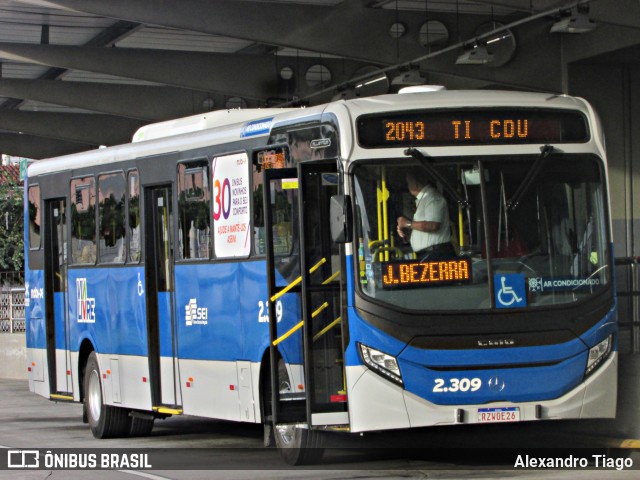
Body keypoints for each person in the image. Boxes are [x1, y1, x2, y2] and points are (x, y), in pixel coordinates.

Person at [397, 168, 455, 260]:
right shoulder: (424, 199)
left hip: (436, 255)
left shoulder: (432, 198)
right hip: (429, 255)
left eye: (408, 183)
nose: (407, 186)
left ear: (415, 184)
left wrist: (407, 224)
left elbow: (433, 225)